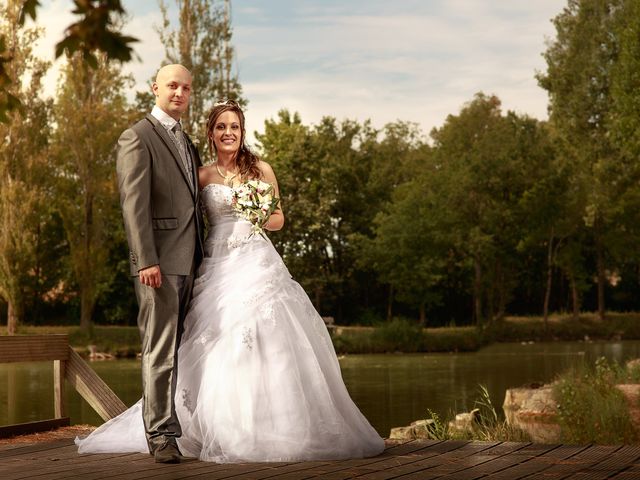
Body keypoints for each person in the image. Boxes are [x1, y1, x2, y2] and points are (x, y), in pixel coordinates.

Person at [76, 100, 385, 463]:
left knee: (270, 338)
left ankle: (278, 426)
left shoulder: (262, 170)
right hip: (217, 265)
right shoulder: (202, 175)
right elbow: (183, 216)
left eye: (235, 127)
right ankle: (212, 427)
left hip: (257, 260)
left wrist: (255, 208)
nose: (228, 133)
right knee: (216, 341)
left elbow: (279, 220)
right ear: (211, 133)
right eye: (221, 127)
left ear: (242, 131)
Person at [113, 64, 204, 463]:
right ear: (155, 89)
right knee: (159, 349)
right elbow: (134, 205)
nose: (180, 93)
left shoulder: (187, 141)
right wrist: (145, 260)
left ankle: (178, 425)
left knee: (181, 349)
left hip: (192, 261)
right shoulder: (138, 137)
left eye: (186, 88)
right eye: (172, 86)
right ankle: (161, 436)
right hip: (159, 265)